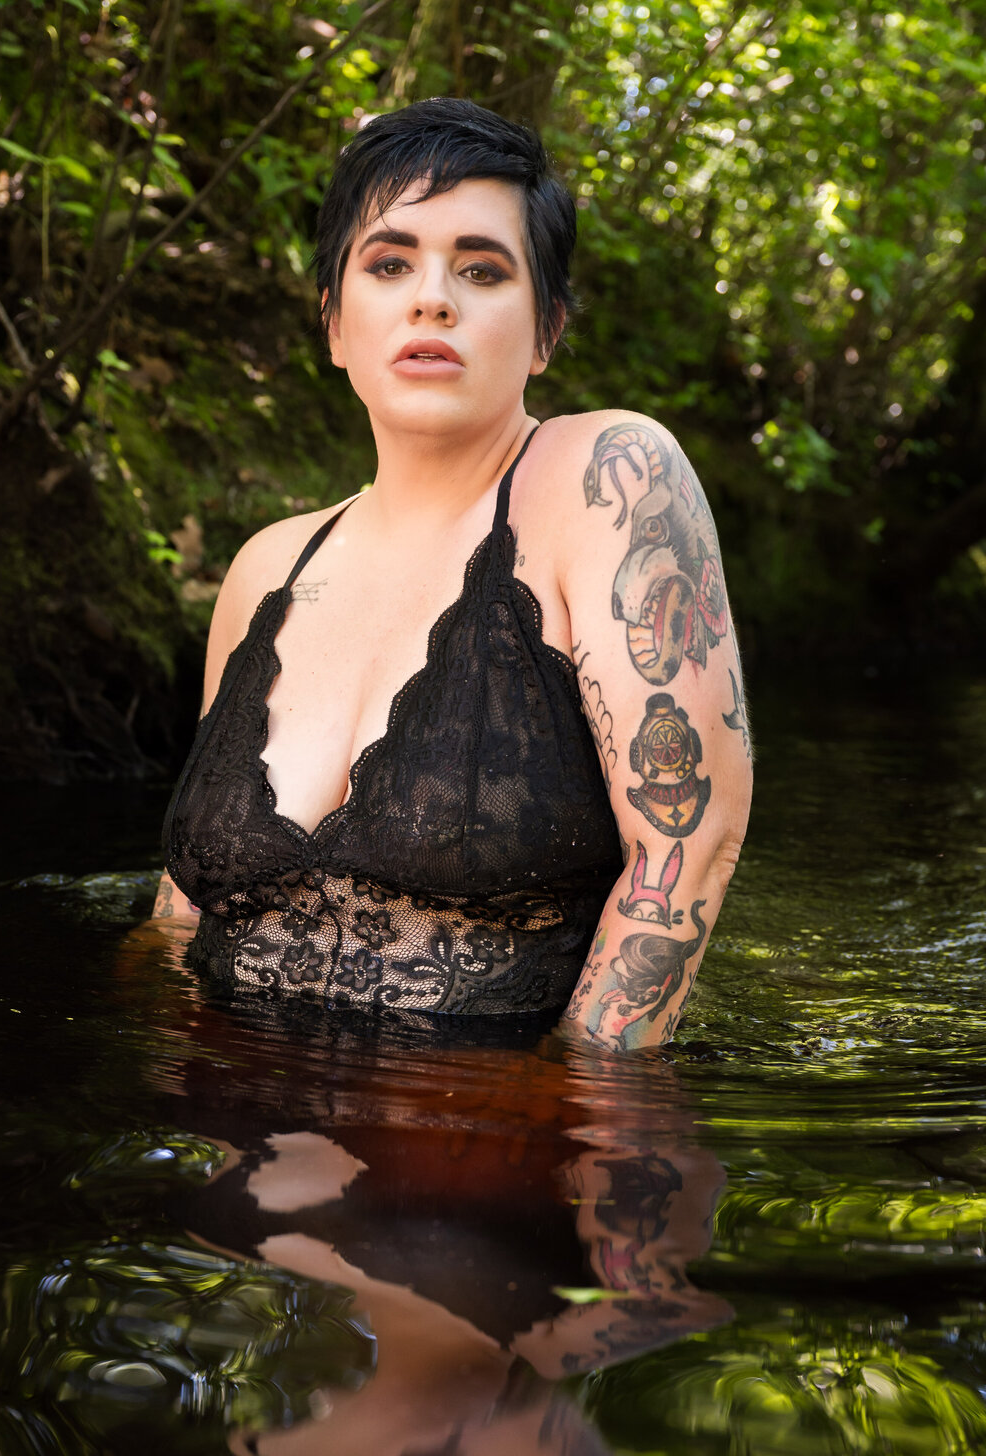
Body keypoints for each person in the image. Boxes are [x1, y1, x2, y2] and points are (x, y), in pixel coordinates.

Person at [153, 98, 753, 1049]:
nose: (432, 298)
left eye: (481, 269)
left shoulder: (606, 481)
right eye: (389, 264)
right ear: (336, 326)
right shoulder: (267, 568)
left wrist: (576, 1119)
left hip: (486, 1141)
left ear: (547, 330)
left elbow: (686, 850)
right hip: (231, 1117)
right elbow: (183, 909)